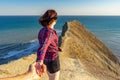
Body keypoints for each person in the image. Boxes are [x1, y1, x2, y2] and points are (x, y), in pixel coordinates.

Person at [35, 9, 61, 80]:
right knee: (54, 78)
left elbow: (44, 44)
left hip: (46, 59)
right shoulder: (51, 33)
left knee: (50, 77)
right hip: (53, 59)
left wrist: (57, 48)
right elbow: (44, 46)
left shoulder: (42, 30)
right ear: (54, 20)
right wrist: (40, 60)